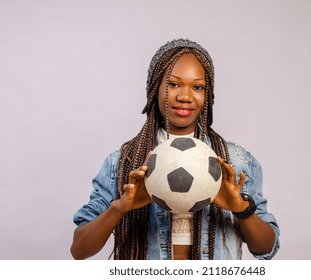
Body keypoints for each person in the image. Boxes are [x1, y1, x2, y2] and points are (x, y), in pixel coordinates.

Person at [70, 38, 280, 260]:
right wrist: (120, 207)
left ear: (207, 94)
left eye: (197, 87)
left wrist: (241, 209)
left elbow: (266, 247)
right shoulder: (124, 163)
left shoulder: (235, 161)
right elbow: (79, 249)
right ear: (154, 87)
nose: (185, 96)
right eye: (173, 84)